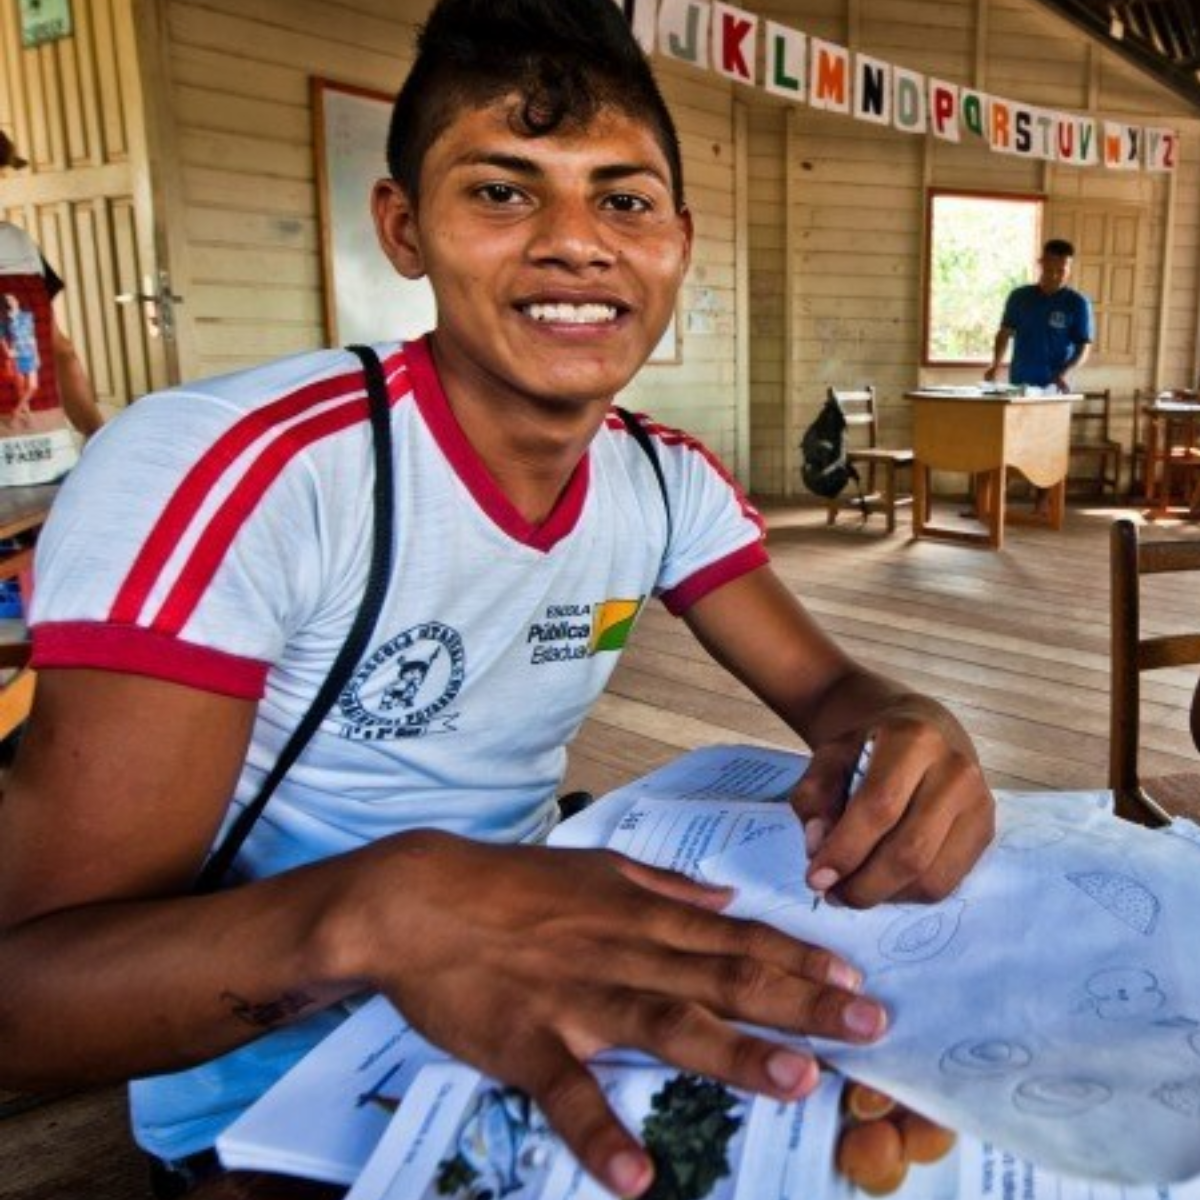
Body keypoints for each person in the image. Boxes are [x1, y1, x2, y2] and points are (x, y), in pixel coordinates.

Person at [0, 4, 994, 1199]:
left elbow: (837, 692)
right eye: (503, 192)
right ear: (405, 228)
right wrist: (386, 907)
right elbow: (26, 996)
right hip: (258, 1090)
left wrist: (908, 724)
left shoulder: (660, 479)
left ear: (679, 240)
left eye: (623, 201)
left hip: (554, 977)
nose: (577, 245)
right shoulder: (243, 470)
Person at [0, 130, 105, 449]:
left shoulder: (19, 243)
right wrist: (98, 436)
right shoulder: (18, 244)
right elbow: (61, 351)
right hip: (45, 449)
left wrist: (97, 436)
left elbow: (61, 351)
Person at [981, 237, 1093, 517]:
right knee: (1008, 443)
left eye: (1062, 270)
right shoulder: (1020, 297)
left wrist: (1063, 373)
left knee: (1047, 445)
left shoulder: (1077, 303)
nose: (1055, 275)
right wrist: (995, 364)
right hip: (1019, 384)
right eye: (1050, 268)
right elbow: (1004, 333)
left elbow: (1084, 347)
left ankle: (1041, 503)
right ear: (1041, 263)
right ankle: (995, 503)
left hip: (1053, 388)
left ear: (1069, 269)